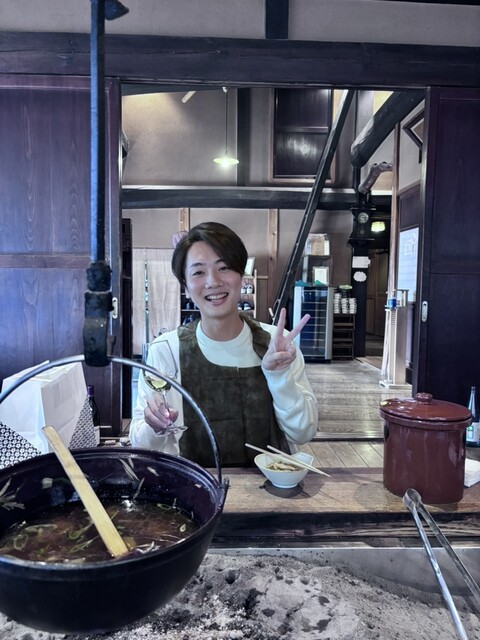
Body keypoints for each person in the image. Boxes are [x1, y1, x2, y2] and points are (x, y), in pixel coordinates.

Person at [129, 222, 318, 467]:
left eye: (224, 267)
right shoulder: (166, 350)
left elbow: (303, 433)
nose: (213, 281)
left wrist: (279, 375)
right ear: (185, 287)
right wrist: (154, 426)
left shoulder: (277, 344)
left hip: (271, 484)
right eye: (198, 272)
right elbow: (140, 444)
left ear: (241, 276)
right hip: (194, 484)